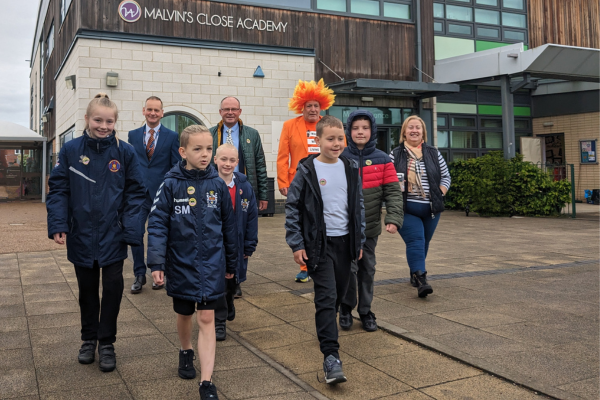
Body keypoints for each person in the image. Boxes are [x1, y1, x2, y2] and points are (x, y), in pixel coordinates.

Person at [46, 93, 147, 372]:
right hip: (81, 235)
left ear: (115, 122)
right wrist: (58, 224)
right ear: (87, 119)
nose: (103, 125)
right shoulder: (70, 151)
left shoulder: (125, 152)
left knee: (113, 289)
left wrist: (131, 229)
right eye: (98, 119)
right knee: (87, 290)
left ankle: (107, 342)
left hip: (113, 235)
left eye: (109, 121)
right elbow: (58, 190)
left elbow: (137, 193)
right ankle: (88, 338)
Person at [147, 125, 237, 400]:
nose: (205, 154)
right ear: (183, 151)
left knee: (207, 316)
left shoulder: (218, 185)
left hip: (211, 264)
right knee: (185, 313)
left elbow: (229, 228)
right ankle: (186, 349)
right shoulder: (171, 183)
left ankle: (207, 382)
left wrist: (232, 265)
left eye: (209, 148)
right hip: (180, 263)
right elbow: (158, 224)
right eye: (198, 149)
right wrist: (157, 263)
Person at [285, 115, 365, 385]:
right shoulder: (307, 170)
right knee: (325, 296)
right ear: (317, 140)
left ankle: (328, 324)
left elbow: (358, 207)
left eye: (340, 138)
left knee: (340, 296)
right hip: (319, 246)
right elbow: (292, 208)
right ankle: (331, 356)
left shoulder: (351, 167)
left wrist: (360, 240)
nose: (336, 143)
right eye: (330, 139)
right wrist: (296, 244)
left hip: (346, 244)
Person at [339, 110, 404, 332]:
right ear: (349, 131)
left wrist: (394, 218)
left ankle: (365, 311)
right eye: (356, 128)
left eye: (365, 128)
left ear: (372, 131)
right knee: (348, 269)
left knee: (367, 269)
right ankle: (346, 308)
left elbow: (394, 192)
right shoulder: (339, 156)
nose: (360, 132)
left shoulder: (383, 159)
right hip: (343, 228)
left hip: (370, 227)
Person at [277, 79, 336, 283]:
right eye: (308, 105)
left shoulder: (329, 125)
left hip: (326, 181)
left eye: (316, 105)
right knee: (301, 221)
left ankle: (325, 259)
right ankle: (305, 265)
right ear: (301, 107)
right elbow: (283, 156)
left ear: (322, 107)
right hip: (299, 182)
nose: (312, 109)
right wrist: (283, 181)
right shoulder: (289, 126)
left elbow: (339, 150)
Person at [210, 96, 268, 297]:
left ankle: (236, 279)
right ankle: (219, 276)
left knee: (241, 233)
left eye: (234, 109)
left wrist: (263, 194)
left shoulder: (252, 134)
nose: (230, 112)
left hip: (243, 191)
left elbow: (260, 163)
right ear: (220, 112)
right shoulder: (210, 134)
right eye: (226, 109)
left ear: (240, 111)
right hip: (217, 190)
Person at [390, 116, 451, 298]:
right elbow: (388, 180)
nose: (414, 130)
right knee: (415, 240)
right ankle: (421, 280)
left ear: (423, 131)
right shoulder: (395, 154)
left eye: (418, 127)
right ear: (404, 132)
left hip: (431, 209)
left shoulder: (433, 153)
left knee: (424, 242)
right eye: (411, 128)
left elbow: (446, 177)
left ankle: (415, 271)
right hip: (407, 208)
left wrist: (439, 194)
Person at [128, 96, 180, 294]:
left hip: (162, 195)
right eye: (149, 109)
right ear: (144, 110)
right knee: (136, 233)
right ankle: (139, 274)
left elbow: (175, 166)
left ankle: (160, 272)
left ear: (162, 113)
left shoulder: (171, 136)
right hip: (139, 195)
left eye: (156, 110)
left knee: (161, 234)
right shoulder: (133, 135)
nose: (152, 113)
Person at [213, 144, 259, 341]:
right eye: (223, 159)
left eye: (232, 160)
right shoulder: (210, 184)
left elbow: (252, 217)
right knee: (218, 282)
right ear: (215, 160)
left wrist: (250, 244)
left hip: (238, 244)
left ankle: (230, 300)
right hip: (216, 244)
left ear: (237, 162)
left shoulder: (244, 187)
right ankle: (219, 321)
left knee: (232, 281)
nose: (227, 164)